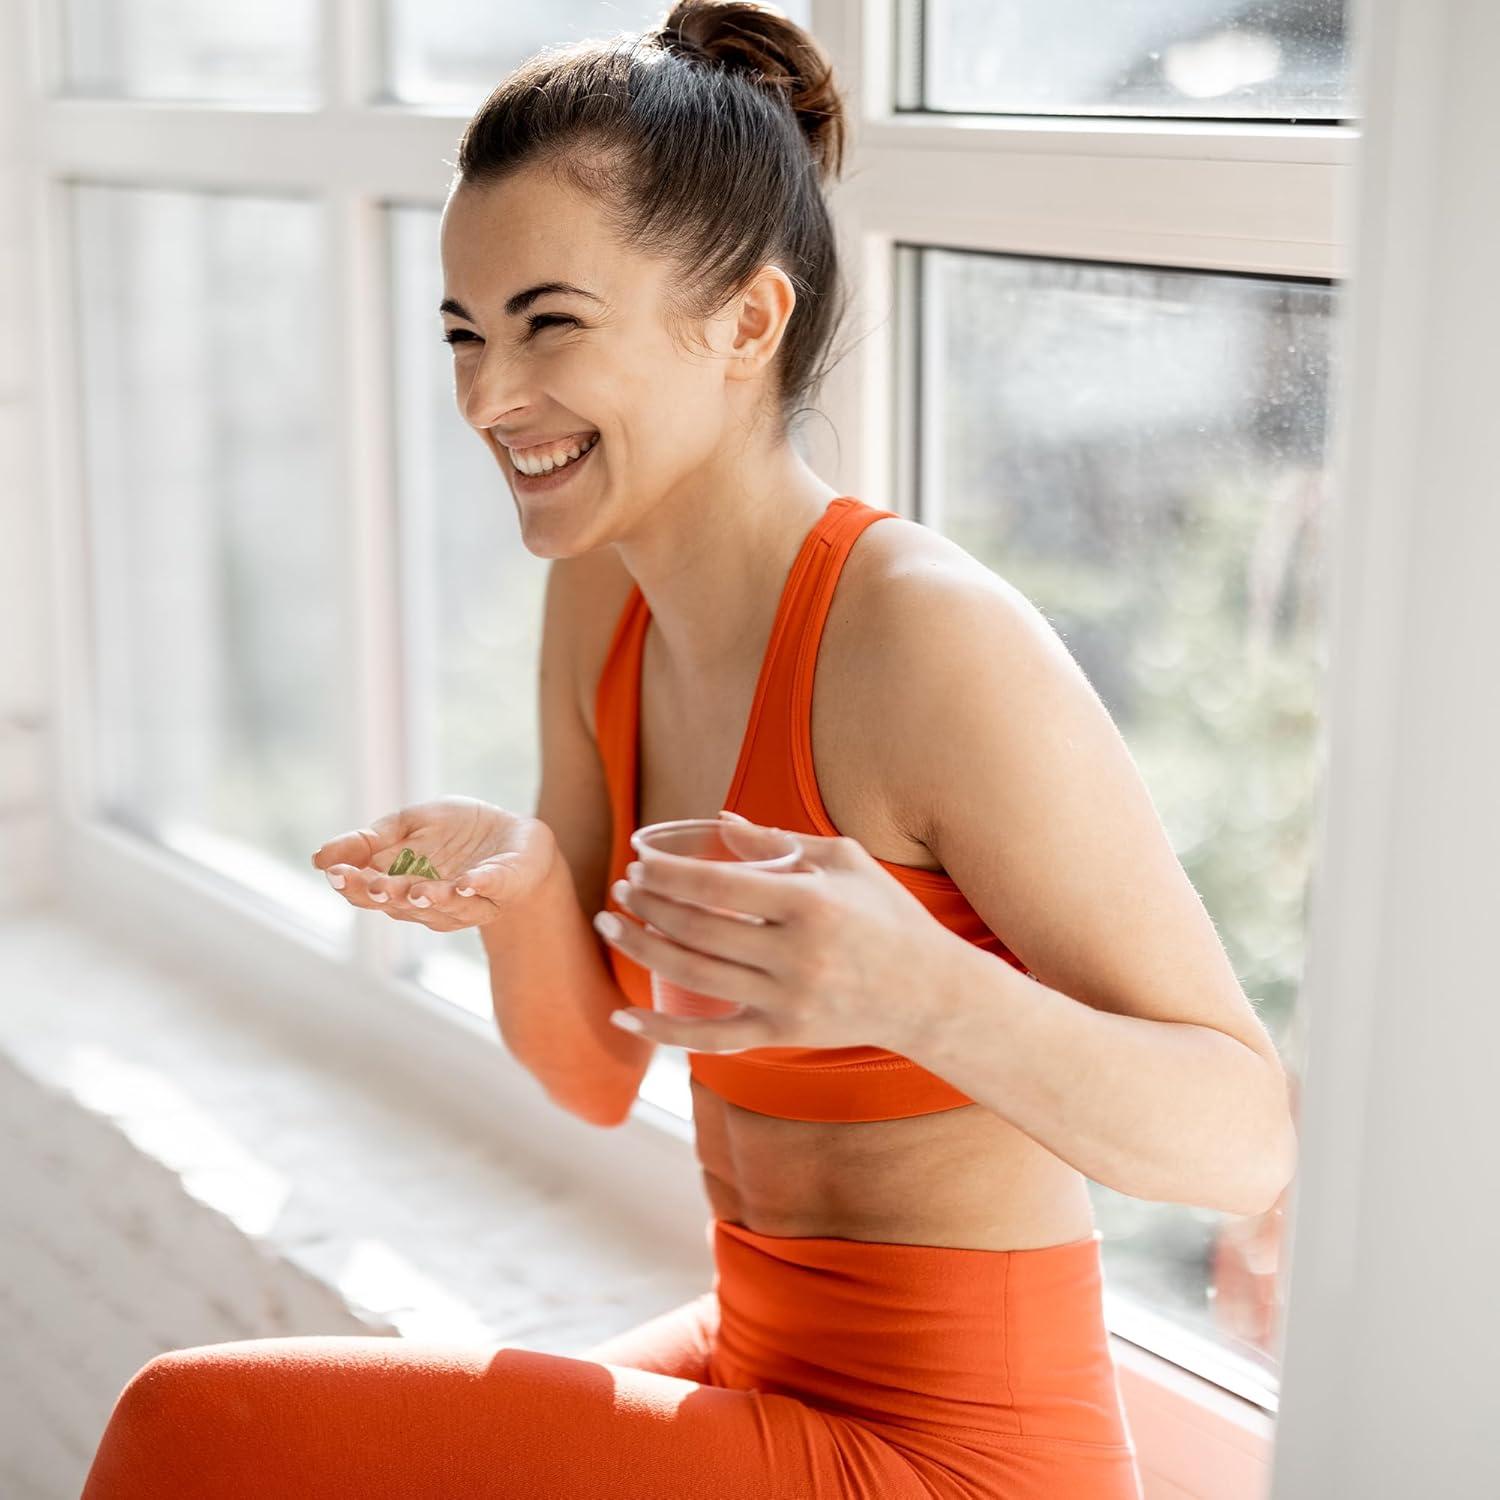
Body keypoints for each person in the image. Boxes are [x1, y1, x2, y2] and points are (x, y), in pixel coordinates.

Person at [83, 2, 1294, 1493]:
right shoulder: (603, 593)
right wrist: (527, 889)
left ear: (747, 322)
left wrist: (921, 989)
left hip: (956, 1452)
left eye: (549, 324)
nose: (488, 397)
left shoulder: (924, 639)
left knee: (192, 1429)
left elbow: (1246, 1140)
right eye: (465, 333)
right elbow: (598, 1071)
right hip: (755, 1356)